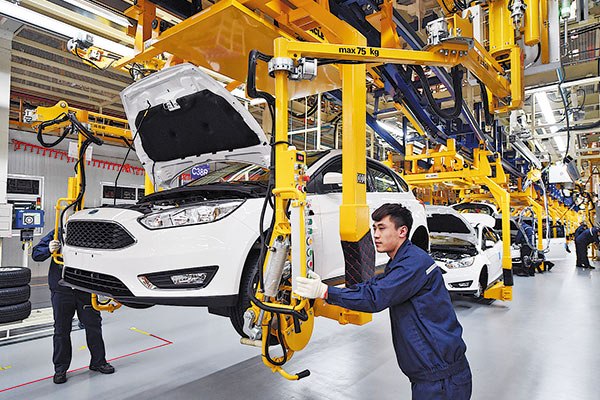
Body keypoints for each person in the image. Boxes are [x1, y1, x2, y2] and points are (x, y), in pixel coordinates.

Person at [295, 203, 471, 400]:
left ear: (402, 231)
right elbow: (373, 286)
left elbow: (375, 298)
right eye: (374, 228)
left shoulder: (412, 265)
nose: (376, 235)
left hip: (441, 381)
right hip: (432, 376)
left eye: (382, 228)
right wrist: (329, 290)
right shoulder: (402, 260)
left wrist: (326, 292)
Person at [32, 230, 115, 384]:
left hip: (85, 288)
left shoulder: (91, 233)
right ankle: (60, 369)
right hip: (61, 290)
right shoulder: (56, 234)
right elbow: (36, 254)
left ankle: (98, 362)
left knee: (94, 326)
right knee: (61, 330)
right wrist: (48, 249)